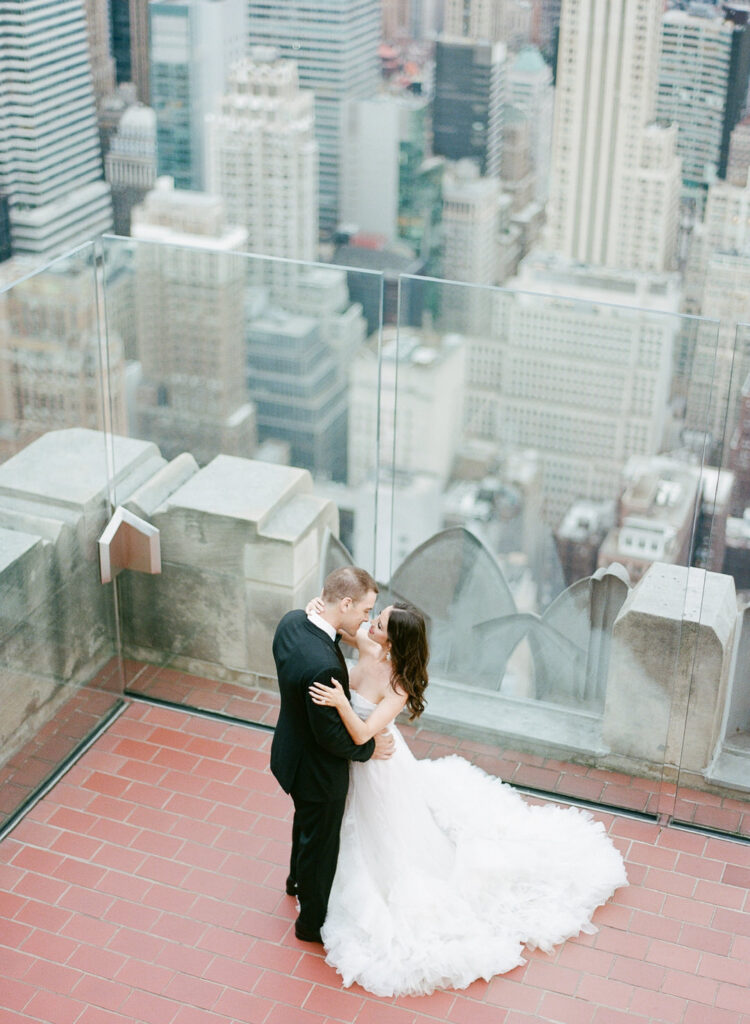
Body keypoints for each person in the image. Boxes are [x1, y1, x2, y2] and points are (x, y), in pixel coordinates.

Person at [306, 598, 629, 998]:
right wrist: (315, 608)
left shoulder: (398, 687)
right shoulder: (370, 646)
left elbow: (362, 733)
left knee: (387, 838)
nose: (372, 623)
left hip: (377, 765)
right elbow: (342, 626)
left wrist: (340, 702)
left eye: (382, 623)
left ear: (393, 641)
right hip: (361, 760)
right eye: (378, 615)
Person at [270, 567, 395, 944]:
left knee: (304, 825)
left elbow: (334, 633)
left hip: (290, 750)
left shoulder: (292, 622)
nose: (366, 619)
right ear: (345, 602)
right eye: (365, 609)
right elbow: (332, 738)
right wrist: (371, 749)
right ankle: (310, 924)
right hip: (317, 770)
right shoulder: (323, 666)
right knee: (321, 848)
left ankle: (294, 880)